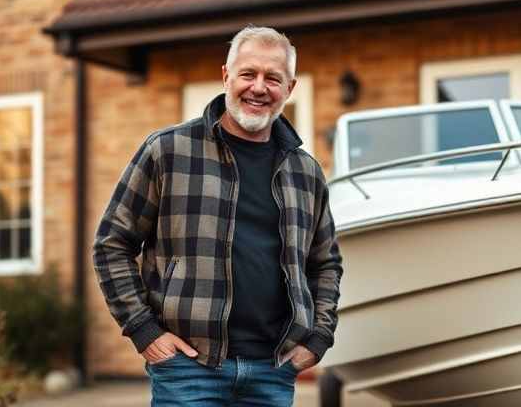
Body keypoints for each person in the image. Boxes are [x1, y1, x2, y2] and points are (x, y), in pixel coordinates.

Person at [92, 26, 343, 406]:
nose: (259, 87)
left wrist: (318, 339)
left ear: (289, 89)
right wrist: (144, 331)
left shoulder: (305, 172)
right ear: (226, 76)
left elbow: (325, 263)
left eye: (273, 78)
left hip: (273, 371)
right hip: (188, 369)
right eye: (248, 74)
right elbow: (112, 243)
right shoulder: (168, 152)